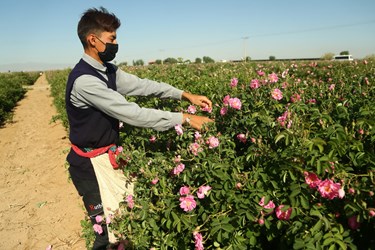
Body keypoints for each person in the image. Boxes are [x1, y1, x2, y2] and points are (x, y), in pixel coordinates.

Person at [65, 7, 213, 250]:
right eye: (111, 38)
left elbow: (143, 86)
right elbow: (133, 114)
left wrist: (185, 95)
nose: (116, 43)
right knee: (107, 235)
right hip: (90, 166)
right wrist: (185, 119)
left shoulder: (107, 71)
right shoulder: (86, 81)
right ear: (93, 40)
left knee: (124, 226)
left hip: (107, 156)